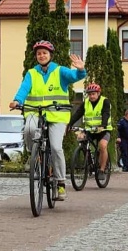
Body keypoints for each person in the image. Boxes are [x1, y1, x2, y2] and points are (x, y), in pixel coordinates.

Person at [10, 40, 86, 201]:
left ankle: (60, 183)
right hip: (35, 113)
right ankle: (35, 156)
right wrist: (17, 100)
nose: (41, 55)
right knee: (29, 129)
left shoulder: (59, 71)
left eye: (44, 53)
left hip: (57, 115)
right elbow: (24, 88)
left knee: (57, 148)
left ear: (50, 55)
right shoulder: (31, 73)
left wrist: (80, 70)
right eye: (39, 53)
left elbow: (75, 76)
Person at [69, 83, 112, 176]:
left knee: (102, 146)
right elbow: (78, 114)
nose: (91, 96)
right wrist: (70, 124)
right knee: (81, 139)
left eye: (93, 94)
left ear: (98, 93)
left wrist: (103, 125)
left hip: (103, 130)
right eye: (90, 94)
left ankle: (102, 169)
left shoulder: (105, 101)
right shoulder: (86, 103)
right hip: (90, 129)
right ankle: (89, 164)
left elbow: (106, 113)